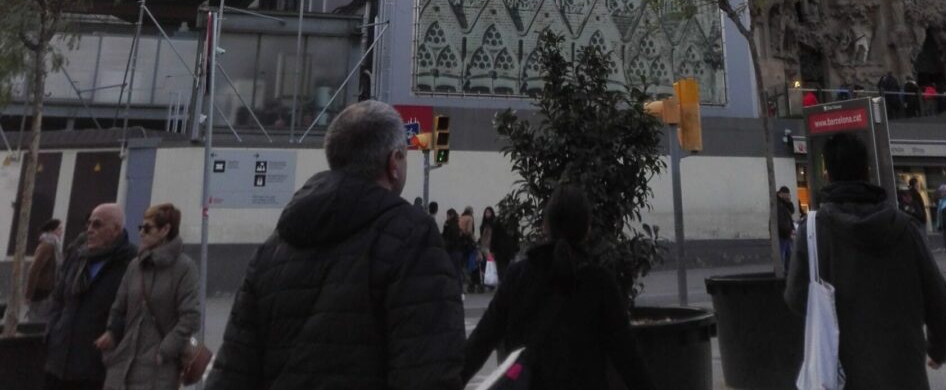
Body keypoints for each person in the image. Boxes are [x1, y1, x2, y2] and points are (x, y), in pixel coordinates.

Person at [206, 101, 464, 390]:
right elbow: (428, 372)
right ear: (394, 162)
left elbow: (231, 372)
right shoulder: (412, 236)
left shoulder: (273, 249)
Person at [786, 133, 946, 390]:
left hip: (841, 369)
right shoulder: (903, 227)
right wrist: (938, 348)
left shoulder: (814, 230)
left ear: (827, 173)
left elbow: (796, 297)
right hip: (902, 368)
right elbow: (937, 294)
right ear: (866, 170)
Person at [462, 185, 656, 390]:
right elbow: (628, 358)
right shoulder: (599, 283)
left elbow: (481, 341)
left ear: (546, 226)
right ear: (587, 229)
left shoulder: (517, 276)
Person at [95, 203, 199, 390]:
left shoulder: (184, 269)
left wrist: (164, 351)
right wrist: (111, 333)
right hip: (122, 364)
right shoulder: (135, 266)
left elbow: (190, 318)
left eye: (148, 228)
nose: (141, 232)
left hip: (158, 370)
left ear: (165, 230)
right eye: (140, 227)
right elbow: (119, 307)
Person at [46, 203, 136, 390]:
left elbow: (134, 309)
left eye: (97, 225)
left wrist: (113, 332)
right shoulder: (79, 255)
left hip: (95, 365)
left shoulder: (130, 263)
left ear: (116, 230)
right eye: (89, 224)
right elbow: (58, 296)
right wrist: (54, 329)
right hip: (59, 360)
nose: (90, 230)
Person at [24, 217, 63, 324]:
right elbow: (34, 269)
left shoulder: (55, 245)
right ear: (51, 230)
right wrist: (29, 294)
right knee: (36, 319)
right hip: (41, 289)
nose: (61, 232)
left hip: (49, 288)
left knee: (43, 317)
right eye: (59, 229)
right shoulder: (47, 246)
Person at [776, 186, 798, 273]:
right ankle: (782, 273)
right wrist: (789, 230)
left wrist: (788, 201)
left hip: (787, 234)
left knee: (789, 256)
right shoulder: (778, 204)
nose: (788, 196)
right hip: (782, 234)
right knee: (782, 256)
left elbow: (792, 210)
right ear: (781, 194)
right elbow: (780, 221)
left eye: (789, 195)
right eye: (786, 195)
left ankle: (787, 273)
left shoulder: (784, 203)